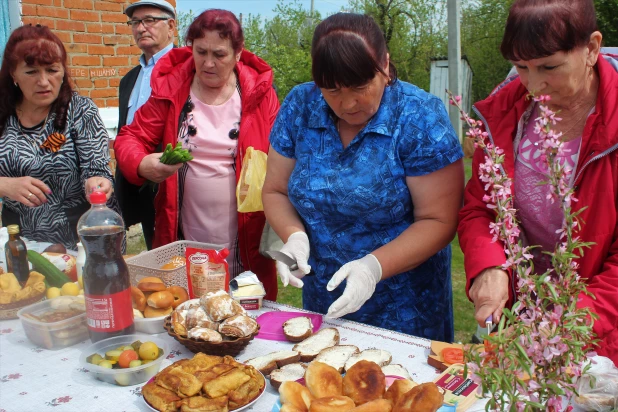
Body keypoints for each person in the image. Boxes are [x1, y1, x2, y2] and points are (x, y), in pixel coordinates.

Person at [263, 13, 464, 341]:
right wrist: (293, 238)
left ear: (385, 65)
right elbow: (275, 191)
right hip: (324, 298)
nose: (348, 103)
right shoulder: (301, 105)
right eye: (332, 90)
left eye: (360, 86)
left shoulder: (419, 117)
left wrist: (373, 267)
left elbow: (439, 221)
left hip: (405, 310)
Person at [458, 0, 618, 364]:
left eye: (549, 66)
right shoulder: (502, 116)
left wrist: (565, 322)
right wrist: (490, 266)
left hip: (600, 335)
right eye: (521, 67)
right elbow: (480, 209)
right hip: (516, 321)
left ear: (592, 48)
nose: (533, 84)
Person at [114, 9, 278, 299]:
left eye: (220, 54)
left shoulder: (259, 92)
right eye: (200, 52)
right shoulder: (173, 86)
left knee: (245, 312)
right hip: (183, 224)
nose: (208, 63)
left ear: (238, 53)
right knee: (186, 308)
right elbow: (131, 136)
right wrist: (141, 163)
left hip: (246, 230)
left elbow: (284, 151)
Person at [0, 25, 119, 251]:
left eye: (52, 70)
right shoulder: (3, 115)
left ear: (63, 71)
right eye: (31, 72)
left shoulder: (80, 111)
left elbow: (96, 167)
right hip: (21, 241)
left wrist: (97, 182)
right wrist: (5, 185)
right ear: (13, 74)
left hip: (81, 237)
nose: (44, 81)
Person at [116, 0, 176, 250]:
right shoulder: (129, 79)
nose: (141, 28)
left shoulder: (185, 69)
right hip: (130, 177)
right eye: (135, 22)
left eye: (150, 20)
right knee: (135, 251)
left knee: (169, 251)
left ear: (171, 26)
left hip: (168, 176)